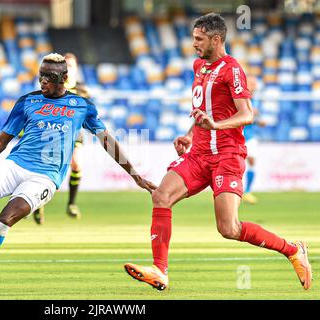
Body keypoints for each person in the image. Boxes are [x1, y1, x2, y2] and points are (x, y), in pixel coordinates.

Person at [0, 53, 156, 292]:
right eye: (41, 75)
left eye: (48, 76)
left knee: (4, 220)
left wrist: (134, 174)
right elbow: (0, 142)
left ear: (63, 78)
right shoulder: (27, 101)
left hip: (45, 178)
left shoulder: (82, 106)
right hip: (16, 164)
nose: (42, 81)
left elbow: (107, 141)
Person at [124, 13, 312, 291]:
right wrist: (190, 134)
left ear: (216, 39)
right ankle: (160, 270)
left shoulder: (232, 69)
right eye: (193, 39)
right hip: (199, 153)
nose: (194, 44)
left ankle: (292, 250)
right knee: (161, 195)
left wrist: (216, 125)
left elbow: (247, 114)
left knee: (229, 229)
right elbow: (205, 111)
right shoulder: (199, 66)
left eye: (199, 39)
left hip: (227, 155)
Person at [32, 52, 89, 224]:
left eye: (72, 65)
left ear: (76, 68)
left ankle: (71, 203)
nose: (70, 68)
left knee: (76, 163)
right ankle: (38, 202)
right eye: (67, 65)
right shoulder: (51, 86)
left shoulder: (82, 90)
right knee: (49, 172)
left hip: (73, 132)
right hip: (53, 132)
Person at [242, 76, 266, 204]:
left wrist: (258, 121)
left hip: (249, 136)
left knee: (251, 161)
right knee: (231, 163)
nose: (253, 86)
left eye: (255, 83)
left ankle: (248, 192)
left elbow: (251, 118)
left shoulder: (256, 100)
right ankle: (222, 191)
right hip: (237, 135)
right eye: (251, 83)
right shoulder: (239, 97)